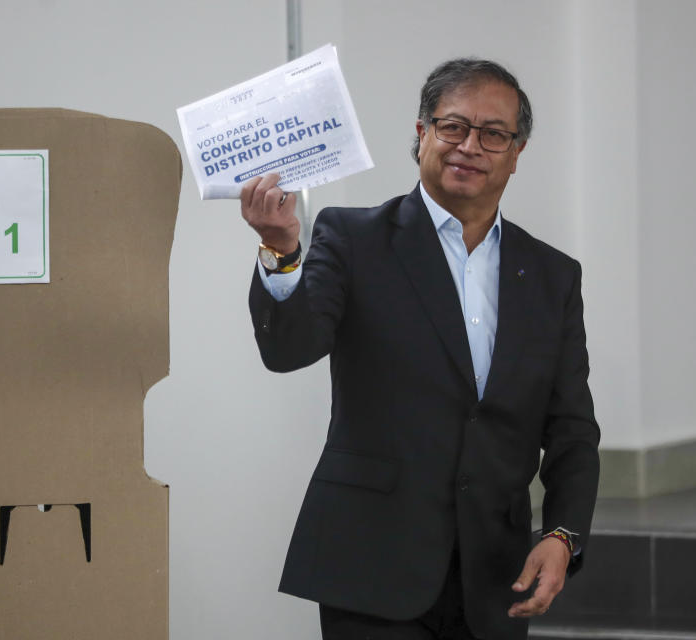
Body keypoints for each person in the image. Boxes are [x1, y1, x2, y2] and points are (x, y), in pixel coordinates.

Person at [240, 58, 600, 640]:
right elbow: (288, 349)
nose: (470, 146)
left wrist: (562, 535)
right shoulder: (353, 237)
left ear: (517, 150)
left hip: (493, 575)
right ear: (422, 133)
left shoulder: (554, 275)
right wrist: (282, 251)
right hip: (371, 563)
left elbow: (573, 428)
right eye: (453, 126)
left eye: (493, 134)